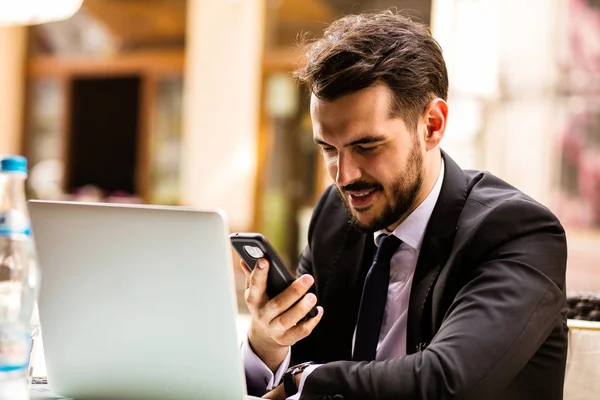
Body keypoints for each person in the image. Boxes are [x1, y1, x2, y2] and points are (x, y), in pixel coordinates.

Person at [240, 10, 568, 400]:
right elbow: (307, 354)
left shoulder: (517, 232)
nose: (343, 176)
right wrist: (268, 342)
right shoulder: (336, 216)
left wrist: (303, 381)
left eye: (367, 146)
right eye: (328, 149)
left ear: (432, 125)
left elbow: (446, 382)